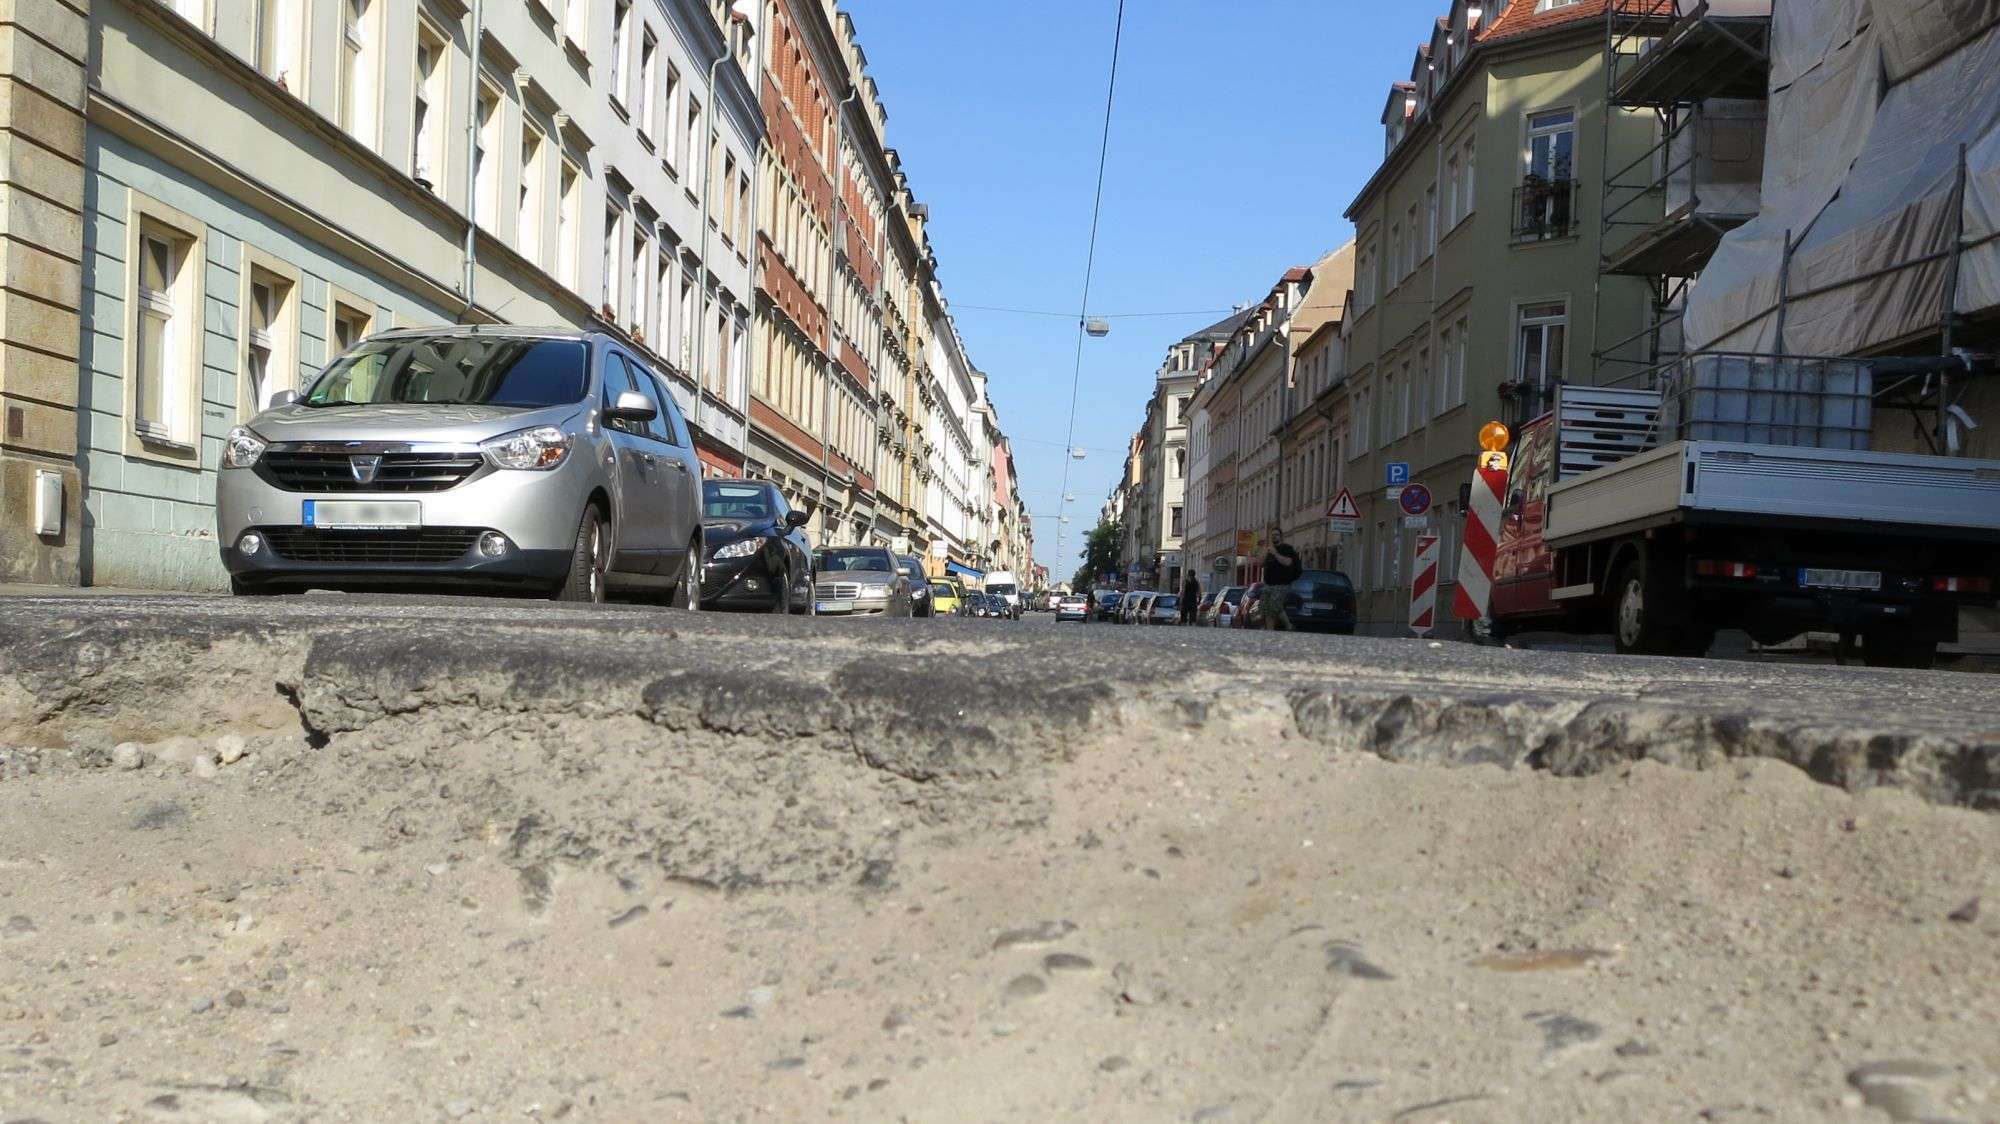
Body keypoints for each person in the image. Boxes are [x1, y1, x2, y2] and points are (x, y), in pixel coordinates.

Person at [1258, 535, 1302, 631]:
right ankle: (1270, 630)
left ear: (1281, 537)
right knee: (1266, 608)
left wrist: (1276, 554)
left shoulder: (1287, 548)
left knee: (1275, 604)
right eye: (1273, 535)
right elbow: (1260, 563)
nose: (1274, 537)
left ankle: (1288, 625)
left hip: (1281, 584)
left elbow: (1288, 562)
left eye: (1276, 535)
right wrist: (1265, 552)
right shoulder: (1269, 550)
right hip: (1268, 583)